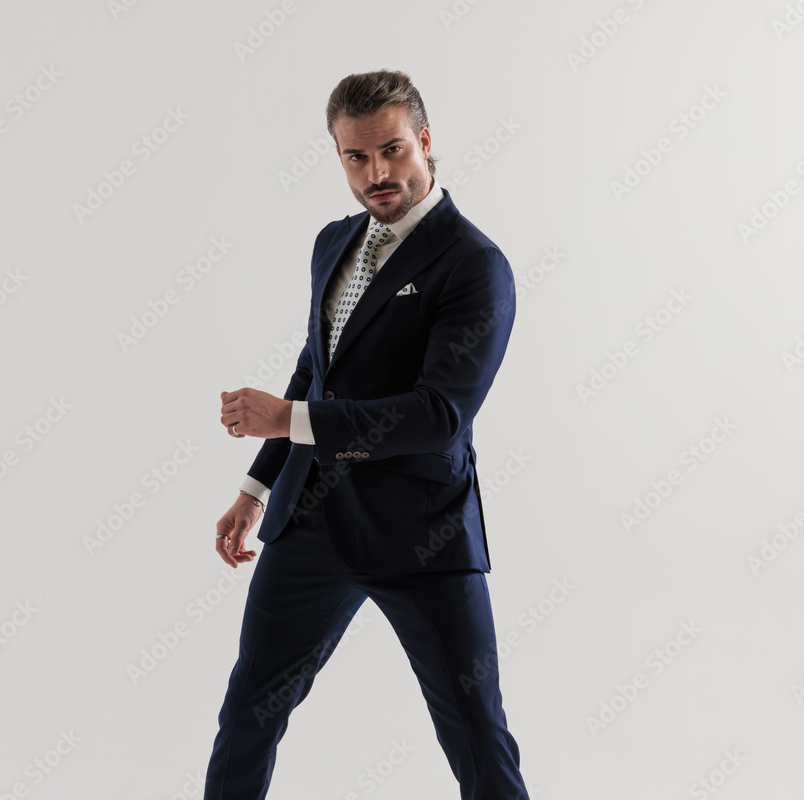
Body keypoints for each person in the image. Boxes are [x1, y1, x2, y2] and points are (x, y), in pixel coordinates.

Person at [204, 69, 530, 800]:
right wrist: (256, 487)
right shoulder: (334, 242)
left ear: (425, 141)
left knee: (477, 736)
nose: (377, 173)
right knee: (249, 714)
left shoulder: (476, 265)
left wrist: (286, 419)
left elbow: (439, 416)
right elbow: (315, 371)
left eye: (392, 150)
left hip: (422, 534)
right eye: (356, 157)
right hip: (310, 524)